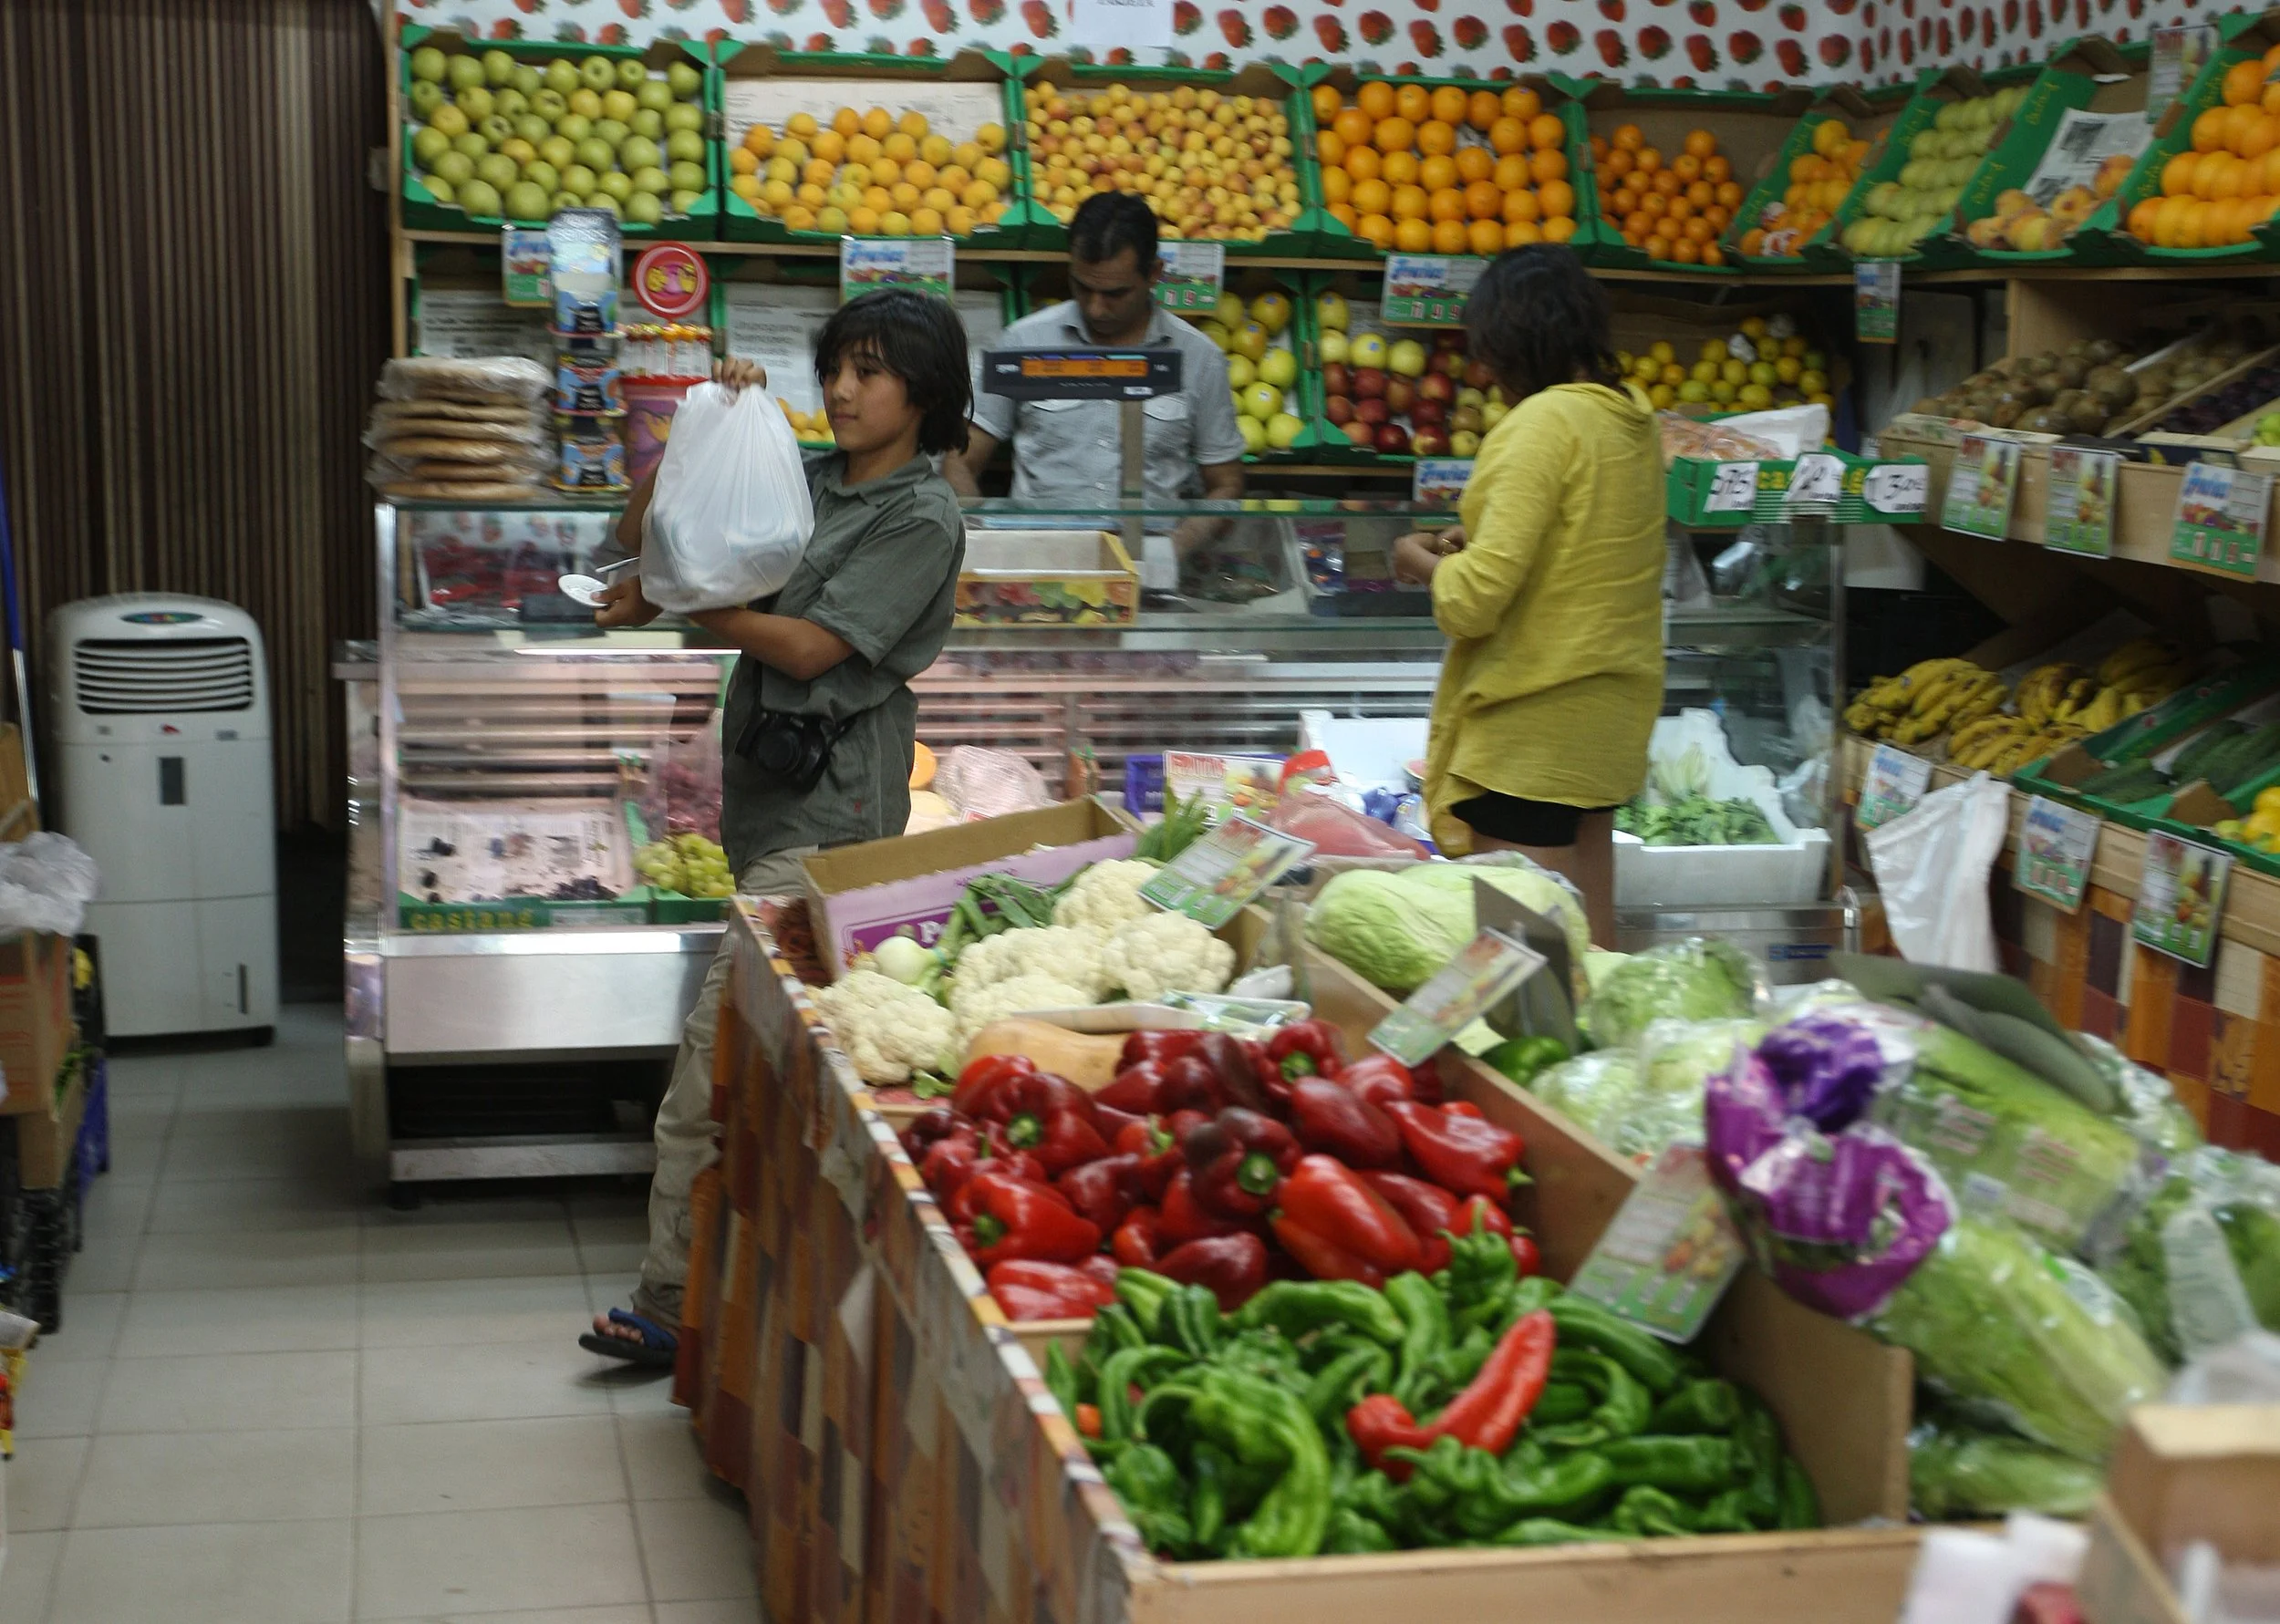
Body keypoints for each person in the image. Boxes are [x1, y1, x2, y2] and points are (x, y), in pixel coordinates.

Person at [580, 288, 972, 1367]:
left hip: (832, 817)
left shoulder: (922, 517)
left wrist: (671, 599)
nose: (841, 389)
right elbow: (639, 532)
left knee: (711, 1061)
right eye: (834, 367)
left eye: (869, 371)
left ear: (923, 393)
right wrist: (700, 427)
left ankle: (670, 1300)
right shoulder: (804, 476)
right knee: (790, 1066)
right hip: (763, 801)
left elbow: (806, 647)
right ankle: (795, 1291)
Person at [1391, 244, 1664, 947]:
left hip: (1533, 727)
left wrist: (1419, 562)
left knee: (1525, 966)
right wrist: (1482, 537)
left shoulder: (1542, 424)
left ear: (1514, 346)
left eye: (1489, 355)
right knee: (1591, 947)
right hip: (1606, 719)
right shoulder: (1631, 418)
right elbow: (1580, 543)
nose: (1485, 375)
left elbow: (1473, 603)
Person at [947, 192, 1246, 565]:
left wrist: (1171, 551)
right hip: (1039, 564)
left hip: (1147, 565)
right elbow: (959, 460)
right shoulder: (1024, 342)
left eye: (1115, 293)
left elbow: (1226, 484)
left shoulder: (1199, 359)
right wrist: (983, 541)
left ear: (1154, 274)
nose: (1096, 308)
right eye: (1082, 287)